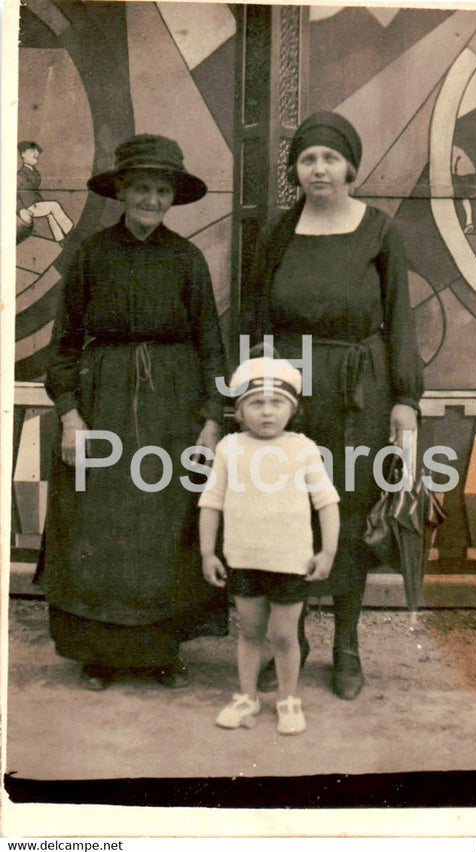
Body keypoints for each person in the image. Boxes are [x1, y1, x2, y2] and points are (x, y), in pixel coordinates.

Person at [242, 111, 424, 700]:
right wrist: (254, 390)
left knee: (346, 508)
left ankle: (347, 643)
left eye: (329, 158)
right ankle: (290, 639)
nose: (319, 169)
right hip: (289, 390)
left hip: (358, 391)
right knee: (283, 509)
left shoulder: (379, 230)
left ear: (350, 166)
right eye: (307, 159)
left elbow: (398, 316)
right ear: (296, 171)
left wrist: (405, 399)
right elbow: (256, 316)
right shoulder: (279, 231)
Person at [37, 134, 228, 690]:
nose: (151, 199)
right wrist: (71, 417)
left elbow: (211, 347)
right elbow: (65, 344)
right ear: (121, 190)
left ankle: (158, 652)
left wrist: (212, 420)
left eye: (161, 189)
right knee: (101, 525)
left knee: (163, 525)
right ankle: (98, 653)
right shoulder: (92, 255)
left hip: (173, 407)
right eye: (141, 187)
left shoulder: (187, 259)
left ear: (173, 197)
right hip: (103, 405)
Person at [199, 357, 340, 734]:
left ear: (292, 409)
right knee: (248, 631)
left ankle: (288, 698)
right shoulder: (229, 448)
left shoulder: (303, 448)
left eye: (276, 403)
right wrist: (208, 553)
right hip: (244, 560)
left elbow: (326, 502)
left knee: (283, 634)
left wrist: (327, 551)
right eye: (256, 403)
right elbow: (211, 501)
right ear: (240, 410)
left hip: (290, 562)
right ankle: (246, 696)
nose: (266, 412)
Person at [16, 141, 74, 243]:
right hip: (27, 207)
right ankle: (72, 233)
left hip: (35, 204)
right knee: (54, 206)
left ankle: (61, 239)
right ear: (23, 154)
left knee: (50, 214)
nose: (36, 154)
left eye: (37, 151)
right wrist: (20, 210)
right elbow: (13, 195)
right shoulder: (20, 174)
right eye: (32, 150)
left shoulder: (36, 174)